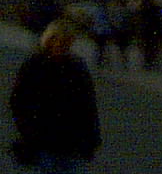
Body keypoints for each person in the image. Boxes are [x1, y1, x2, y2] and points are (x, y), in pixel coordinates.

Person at [10, 20, 100, 173]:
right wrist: (28, 130)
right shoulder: (35, 65)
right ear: (49, 40)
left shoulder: (77, 67)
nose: (63, 46)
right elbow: (18, 101)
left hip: (72, 141)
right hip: (43, 140)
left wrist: (92, 138)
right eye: (60, 41)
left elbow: (88, 105)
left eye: (67, 42)